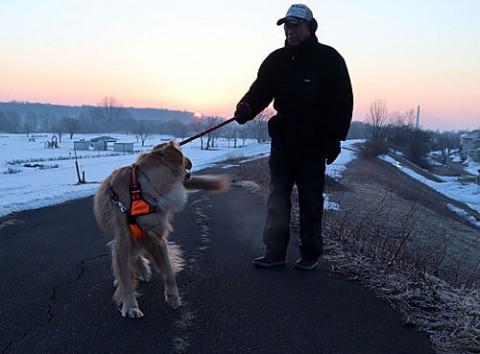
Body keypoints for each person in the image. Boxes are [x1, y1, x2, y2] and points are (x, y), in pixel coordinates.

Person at [234, 4, 353, 270]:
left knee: (311, 199)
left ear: (310, 27)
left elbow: (343, 102)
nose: (290, 31)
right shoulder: (276, 60)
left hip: (314, 143)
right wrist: (246, 108)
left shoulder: (330, 60)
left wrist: (335, 139)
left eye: (296, 25)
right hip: (283, 141)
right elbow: (260, 91)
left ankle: (310, 253)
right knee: (278, 196)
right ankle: (275, 252)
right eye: (287, 26)